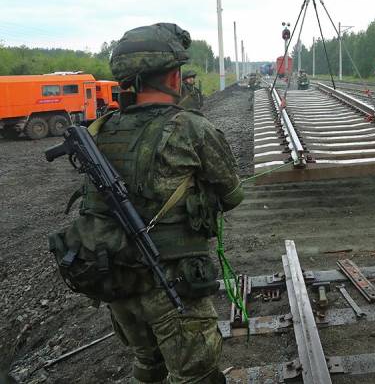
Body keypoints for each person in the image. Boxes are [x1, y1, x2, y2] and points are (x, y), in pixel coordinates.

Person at [59, 23, 244, 383]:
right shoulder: (192, 128)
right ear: (173, 77)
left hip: (119, 281)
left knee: (148, 365)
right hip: (172, 283)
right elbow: (233, 195)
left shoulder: (102, 130)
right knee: (195, 374)